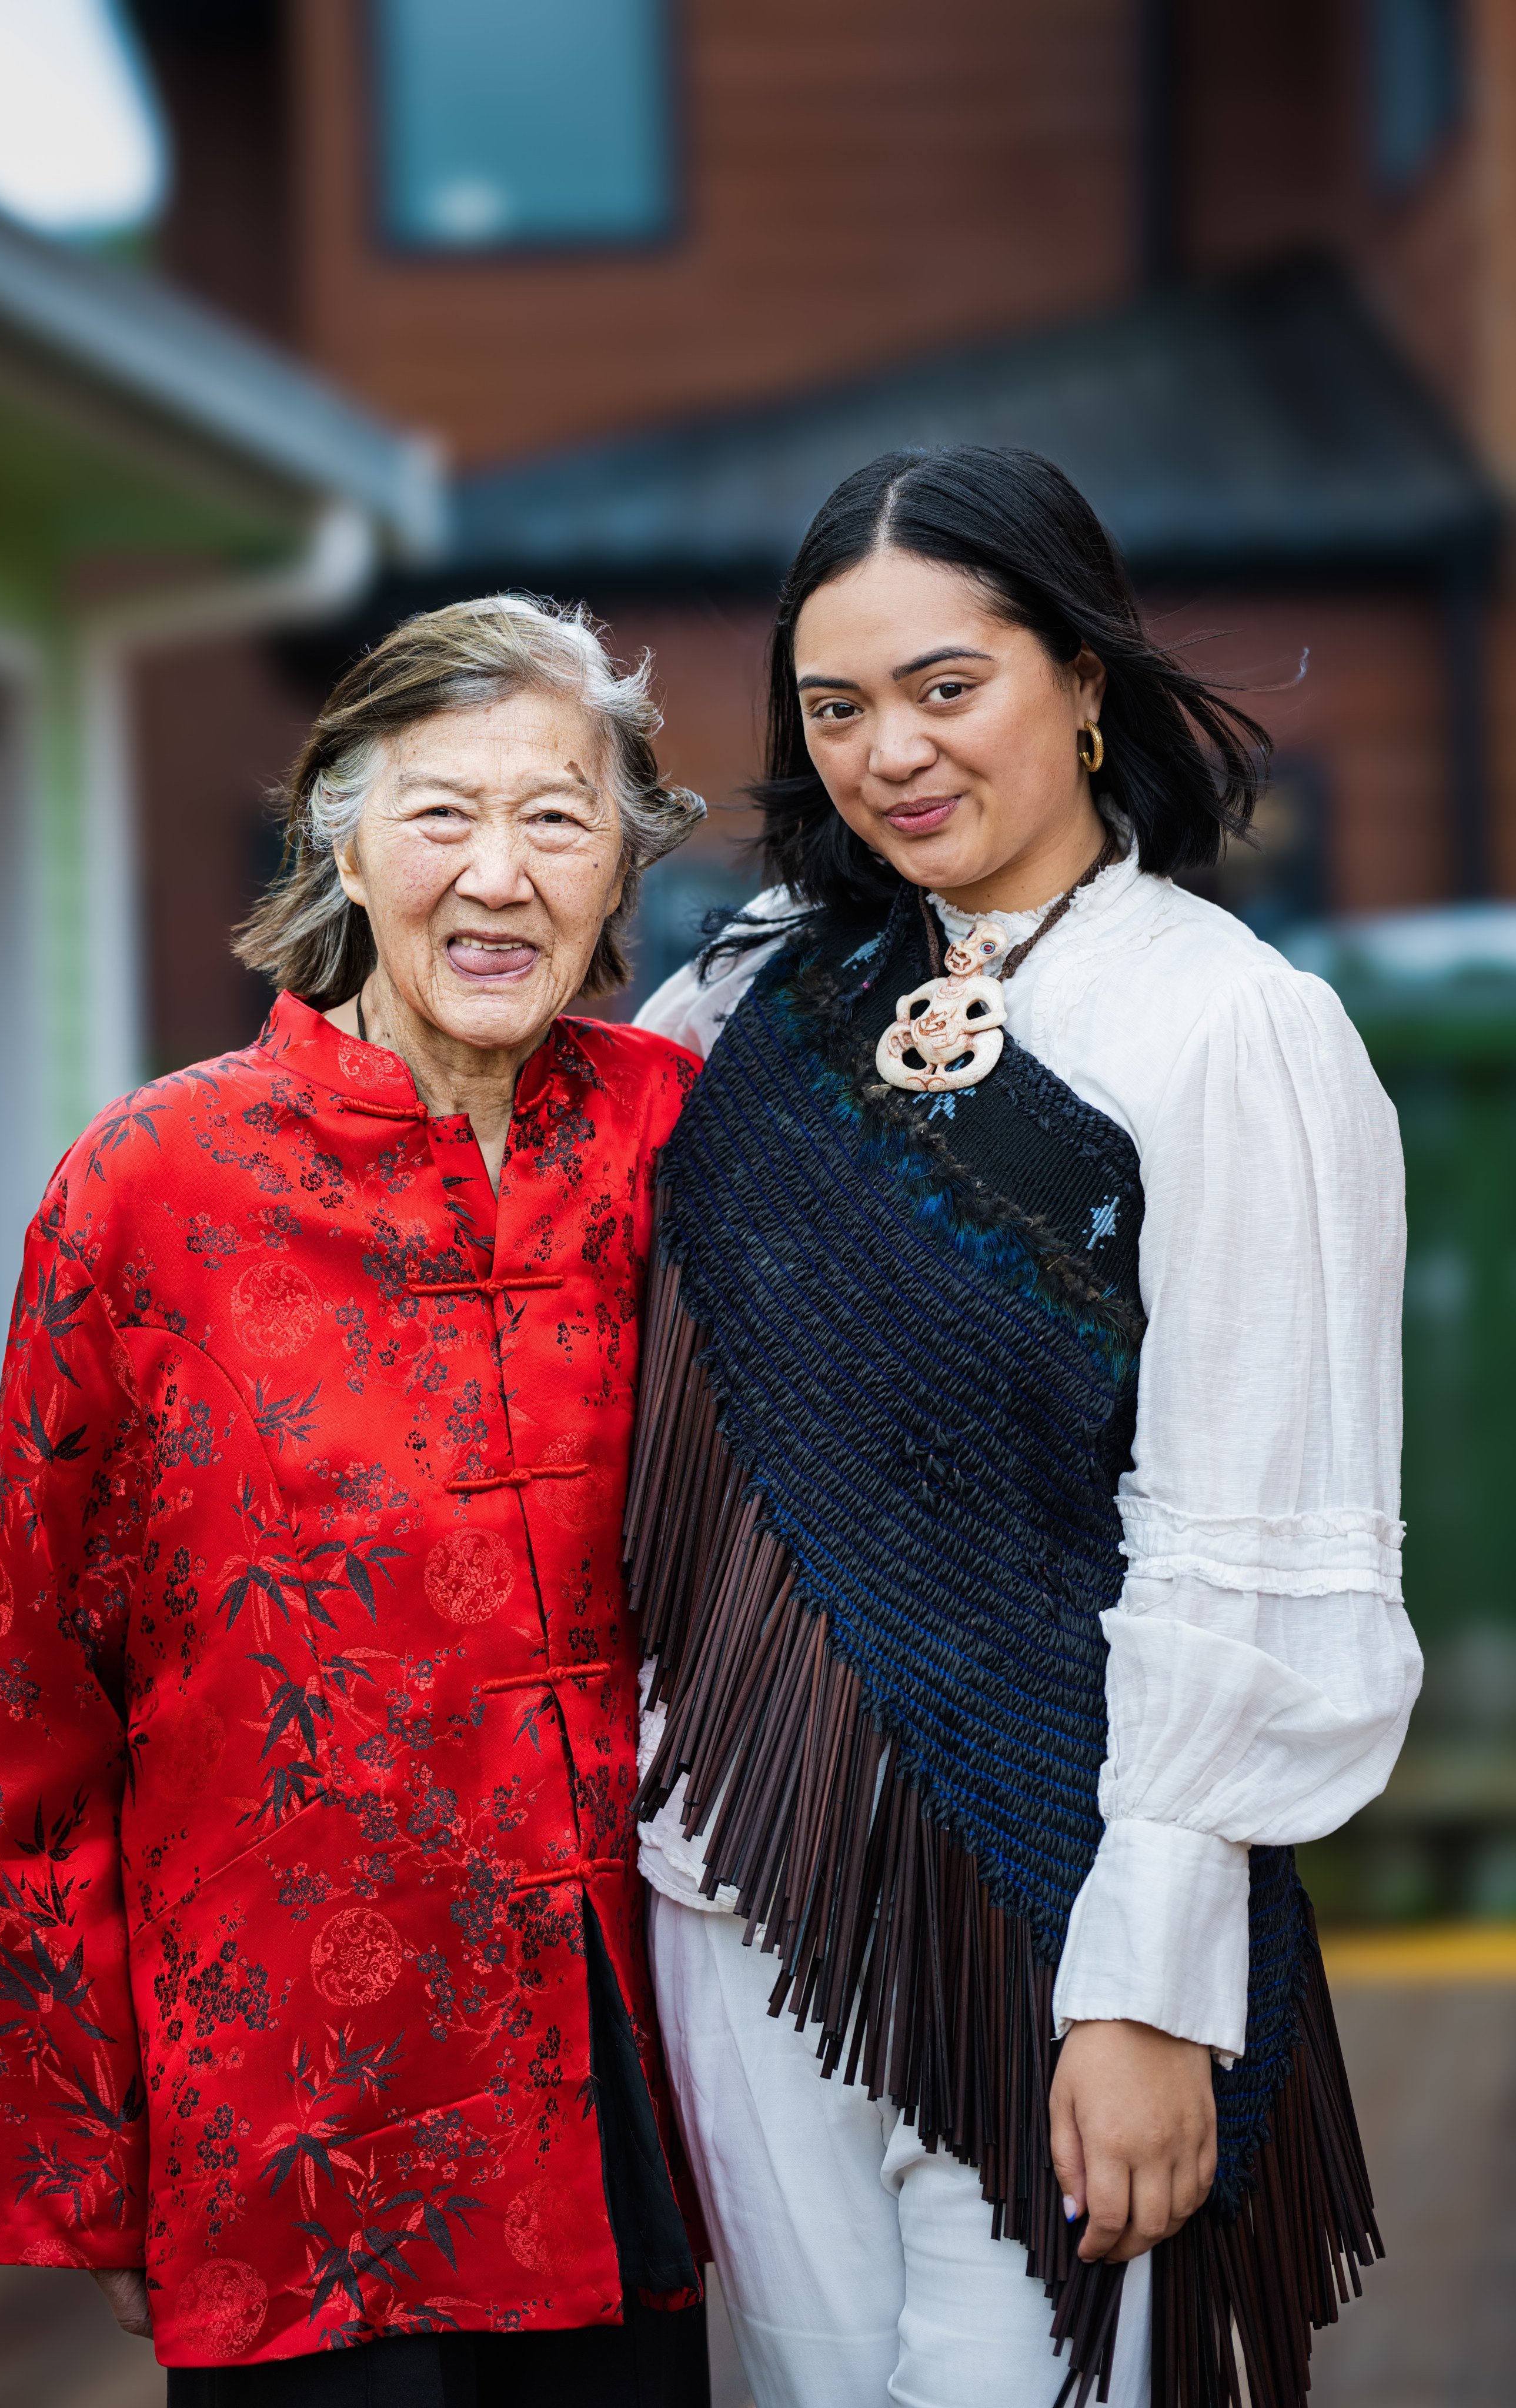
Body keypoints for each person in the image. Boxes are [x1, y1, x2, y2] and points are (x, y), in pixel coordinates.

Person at [623, 447, 1420, 2408]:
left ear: (1079, 679)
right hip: (731, 1893)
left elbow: (1248, 1528)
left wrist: (1153, 1993)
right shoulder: (734, 1007)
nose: (889, 752)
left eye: (944, 686)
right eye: (834, 710)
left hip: (1051, 1923)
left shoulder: (1228, 1028)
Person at [0, 597, 714, 2405]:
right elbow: (32, 1701)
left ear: (624, 869)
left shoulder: (690, 1141)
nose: (500, 873)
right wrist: (88, 2157)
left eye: (558, 817)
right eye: (443, 812)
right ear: (340, 843)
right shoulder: (149, 1188)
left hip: (634, 2063)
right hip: (293, 2090)